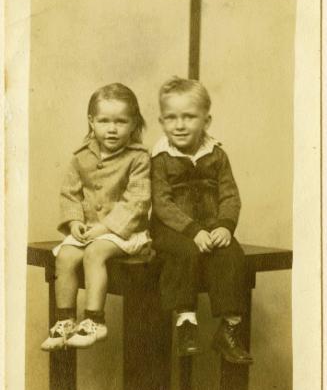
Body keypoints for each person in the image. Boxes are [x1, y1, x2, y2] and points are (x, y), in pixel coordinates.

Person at [41, 83, 151, 351]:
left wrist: (106, 228)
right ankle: (65, 320)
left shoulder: (138, 157)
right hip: (89, 229)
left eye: (120, 121)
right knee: (65, 256)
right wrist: (75, 222)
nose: (111, 129)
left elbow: (137, 201)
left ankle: (94, 320)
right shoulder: (81, 157)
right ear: (92, 121)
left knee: (94, 253)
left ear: (133, 123)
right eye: (104, 121)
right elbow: (70, 193)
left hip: (126, 232)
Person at [150, 76, 253, 364]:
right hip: (172, 228)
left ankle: (229, 329)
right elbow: (161, 203)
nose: (179, 125)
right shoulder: (160, 158)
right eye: (171, 118)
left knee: (233, 255)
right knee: (185, 252)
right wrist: (192, 230)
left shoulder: (217, 155)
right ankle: (186, 323)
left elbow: (230, 195)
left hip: (210, 226)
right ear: (161, 122)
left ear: (206, 121)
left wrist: (224, 225)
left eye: (189, 117)